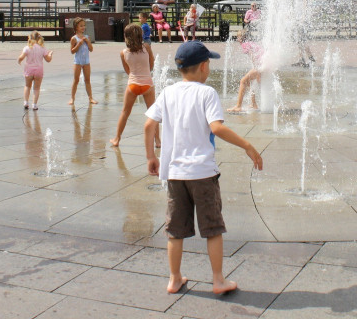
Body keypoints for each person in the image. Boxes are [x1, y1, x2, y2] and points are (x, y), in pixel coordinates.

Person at [143, 40, 263, 295]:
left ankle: (174, 279)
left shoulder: (168, 93)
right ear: (203, 66)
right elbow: (216, 127)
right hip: (203, 173)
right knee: (213, 229)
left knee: (175, 231)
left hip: (175, 174)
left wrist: (151, 156)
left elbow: (148, 124)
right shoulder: (207, 93)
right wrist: (247, 145)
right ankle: (218, 280)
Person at [110, 24, 157, 147]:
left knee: (125, 112)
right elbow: (152, 64)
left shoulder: (123, 53)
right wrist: (145, 72)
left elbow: (127, 71)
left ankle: (117, 139)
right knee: (153, 113)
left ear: (126, 37)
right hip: (147, 84)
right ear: (140, 35)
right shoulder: (147, 47)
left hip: (133, 85)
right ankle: (157, 140)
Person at [227, 30, 263, 112]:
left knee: (243, 81)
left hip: (260, 65)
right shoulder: (251, 43)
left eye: (238, 37)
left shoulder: (245, 44)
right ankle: (254, 104)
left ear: (241, 38)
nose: (237, 39)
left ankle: (238, 106)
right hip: (263, 64)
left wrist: (257, 71)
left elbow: (252, 56)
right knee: (249, 82)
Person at [18, 30, 53, 110]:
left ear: (30, 38)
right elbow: (48, 60)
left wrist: (19, 60)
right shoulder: (42, 48)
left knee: (27, 86)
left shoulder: (27, 48)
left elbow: (21, 57)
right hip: (38, 70)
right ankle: (34, 104)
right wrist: (50, 54)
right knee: (36, 88)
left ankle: (26, 102)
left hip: (29, 70)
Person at [69, 17, 97, 105]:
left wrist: (88, 42)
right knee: (76, 80)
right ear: (76, 27)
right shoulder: (74, 38)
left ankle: (90, 98)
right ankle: (72, 98)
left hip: (86, 62)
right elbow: (72, 51)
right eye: (81, 26)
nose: (83, 27)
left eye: (84, 25)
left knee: (87, 80)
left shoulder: (87, 37)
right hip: (77, 61)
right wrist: (79, 44)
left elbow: (91, 49)